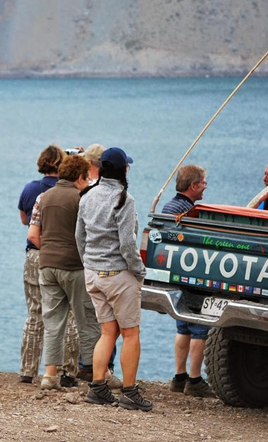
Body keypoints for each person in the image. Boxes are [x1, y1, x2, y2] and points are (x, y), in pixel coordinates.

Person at [75, 147, 152, 411]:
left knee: (107, 332)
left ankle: (98, 388)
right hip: (118, 275)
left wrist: (88, 264)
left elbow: (79, 237)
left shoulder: (87, 196)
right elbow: (128, 244)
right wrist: (140, 271)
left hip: (94, 275)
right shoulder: (124, 199)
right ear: (123, 170)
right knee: (131, 333)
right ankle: (130, 393)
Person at [26, 155, 100, 390]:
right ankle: (94, 372)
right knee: (87, 320)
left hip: (47, 265)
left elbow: (33, 236)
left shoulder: (42, 197)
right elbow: (91, 234)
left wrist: (49, 250)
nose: (88, 183)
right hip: (75, 266)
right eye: (87, 178)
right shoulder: (83, 198)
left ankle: (49, 375)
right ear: (79, 177)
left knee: (53, 321)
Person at [18, 145, 80, 386]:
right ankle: (67, 371)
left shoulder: (31, 189)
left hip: (34, 256)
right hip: (64, 257)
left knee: (34, 312)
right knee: (68, 316)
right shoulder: (72, 192)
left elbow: (25, 220)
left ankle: (27, 370)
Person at [161, 165, 214, 398]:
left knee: (182, 325)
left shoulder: (168, 207)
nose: (205, 186)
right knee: (200, 326)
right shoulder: (190, 212)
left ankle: (178, 376)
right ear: (193, 186)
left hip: (174, 274)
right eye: (203, 182)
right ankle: (194, 380)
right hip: (192, 275)